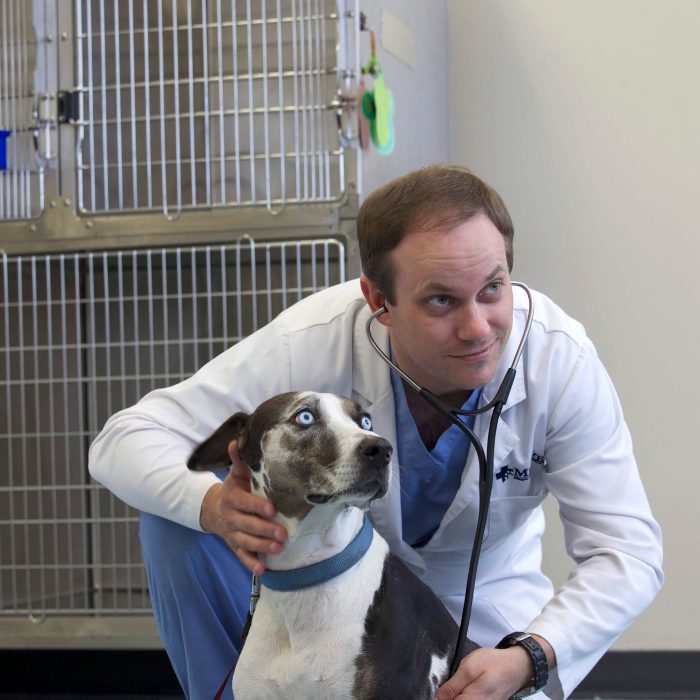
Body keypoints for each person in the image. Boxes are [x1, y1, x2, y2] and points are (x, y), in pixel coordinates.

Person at [88, 164, 663, 700]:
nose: (477, 327)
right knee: (174, 525)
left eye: (493, 289)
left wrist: (531, 657)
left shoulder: (558, 362)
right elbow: (124, 438)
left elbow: (627, 552)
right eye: (441, 300)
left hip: (482, 610)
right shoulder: (312, 340)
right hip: (316, 585)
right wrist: (213, 504)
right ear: (378, 301)